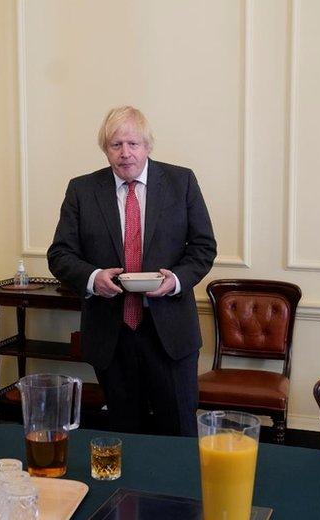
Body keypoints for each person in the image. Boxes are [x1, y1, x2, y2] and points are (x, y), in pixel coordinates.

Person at [47, 106, 216, 436]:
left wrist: (176, 281)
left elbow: (203, 247)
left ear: (148, 145)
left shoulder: (181, 182)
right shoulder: (82, 190)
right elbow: (60, 254)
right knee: (126, 435)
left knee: (180, 432)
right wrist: (94, 279)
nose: (125, 153)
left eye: (133, 144)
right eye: (115, 145)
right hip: (112, 336)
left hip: (170, 335)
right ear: (105, 149)